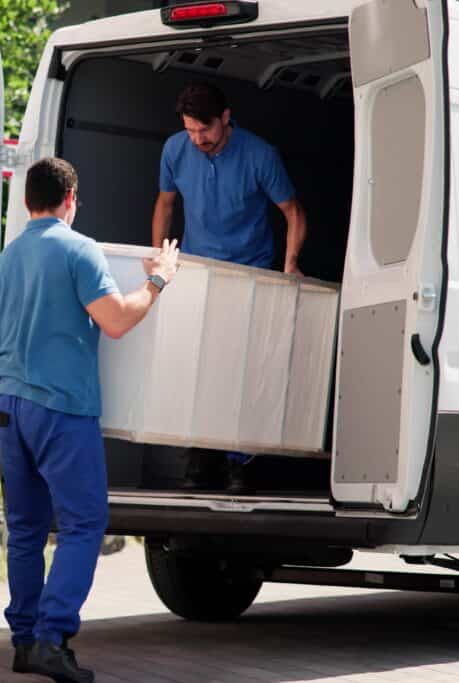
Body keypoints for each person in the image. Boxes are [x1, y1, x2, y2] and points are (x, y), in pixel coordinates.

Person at [0, 157, 179, 682]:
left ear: (29, 201)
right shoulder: (79, 249)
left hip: (10, 408)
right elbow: (116, 321)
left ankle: (25, 642)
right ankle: (52, 638)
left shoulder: (4, 261)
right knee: (84, 523)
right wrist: (158, 282)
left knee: (25, 530)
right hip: (60, 409)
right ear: (70, 199)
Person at [152, 82, 308, 494]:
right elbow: (165, 203)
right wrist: (160, 259)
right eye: (190, 131)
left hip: (249, 273)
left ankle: (240, 463)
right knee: (198, 368)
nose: (198, 139)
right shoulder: (175, 150)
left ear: (225, 118)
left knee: (241, 369)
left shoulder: (260, 155)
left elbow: (292, 212)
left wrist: (290, 264)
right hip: (197, 270)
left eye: (205, 130)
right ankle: (200, 458)